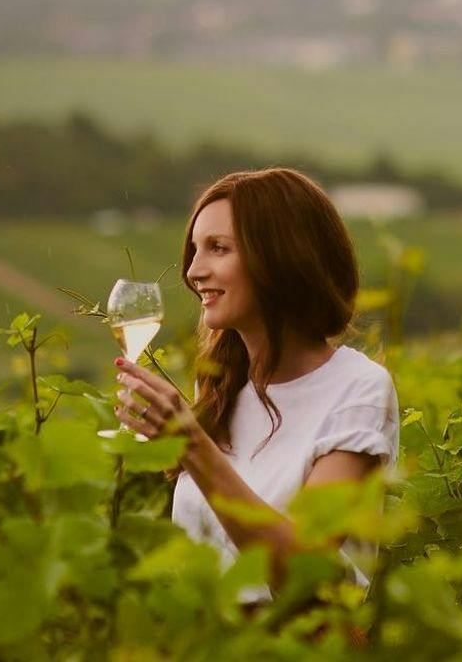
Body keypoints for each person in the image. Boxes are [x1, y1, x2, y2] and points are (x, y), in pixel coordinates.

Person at [113, 166, 399, 611]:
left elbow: (306, 576)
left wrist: (191, 444)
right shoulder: (221, 385)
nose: (193, 271)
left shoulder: (357, 389)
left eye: (217, 249)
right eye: (194, 251)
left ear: (282, 257)